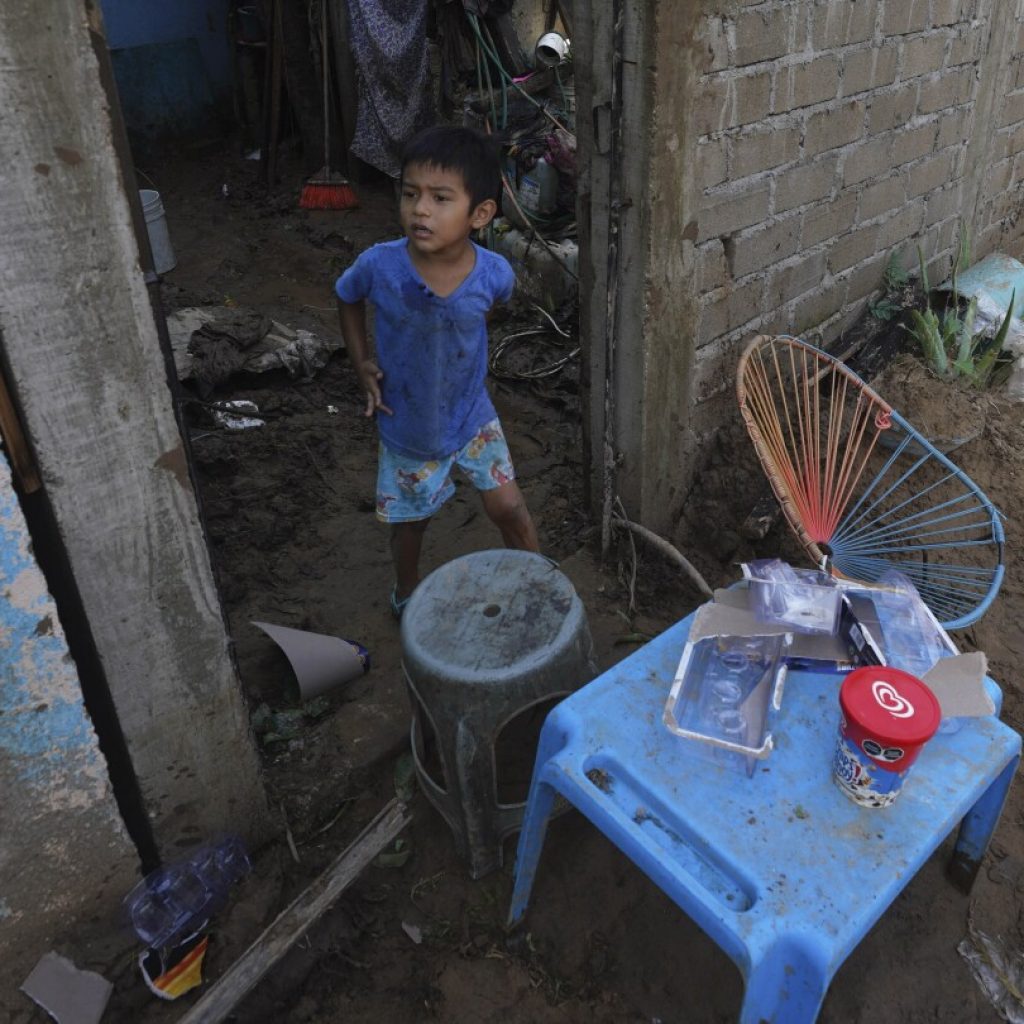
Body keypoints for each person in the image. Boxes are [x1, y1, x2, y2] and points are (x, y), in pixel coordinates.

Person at [335, 125, 539, 619]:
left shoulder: (494, 275)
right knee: (411, 525)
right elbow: (346, 297)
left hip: (472, 417)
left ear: (480, 214)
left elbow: (485, 314)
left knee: (508, 508)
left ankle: (539, 578)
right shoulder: (379, 267)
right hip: (408, 425)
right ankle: (406, 595)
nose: (420, 209)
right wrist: (362, 361)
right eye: (410, 194)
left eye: (440, 198)